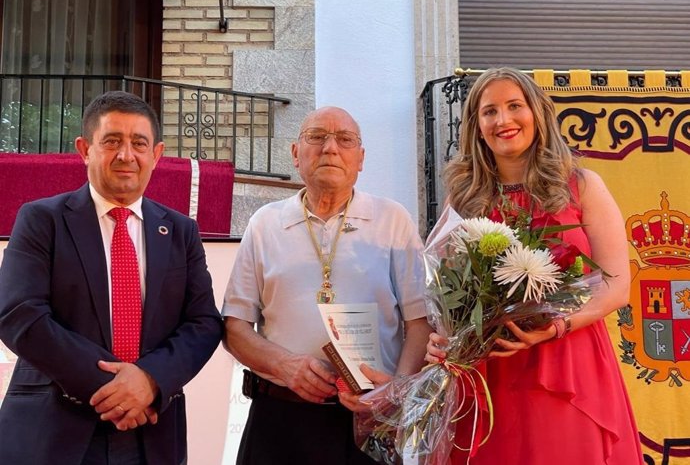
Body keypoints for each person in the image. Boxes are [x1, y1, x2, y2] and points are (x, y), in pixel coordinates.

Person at [426, 67, 643, 464]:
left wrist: (554, 327)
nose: (503, 120)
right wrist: (443, 336)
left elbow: (616, 286)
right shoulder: (464, 200)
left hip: (567, 361)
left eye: (514, 106)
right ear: (476, 126)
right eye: (489, 112)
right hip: (492, 367)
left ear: (537, 113)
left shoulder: (581, 184)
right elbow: (449, 291)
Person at [0, 91, 223, 465]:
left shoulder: (182, 231)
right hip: (53, 429)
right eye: (112, 142)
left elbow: (202, 323)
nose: (126, 155)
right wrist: (117, 388)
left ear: (157, 154)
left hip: (151, 435)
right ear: (85, 149)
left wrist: (149, 381)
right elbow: (19, 314)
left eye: (139, 143)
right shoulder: (42, 220)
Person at [223, 106, 431, 464]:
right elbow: (234, 326)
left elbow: (420, 322)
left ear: (361, 158)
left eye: (345, 139)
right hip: (280, 419)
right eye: (316, 137)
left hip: (370, 421)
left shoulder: (392, 219)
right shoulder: (265, 223)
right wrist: (285, 364)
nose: (330, 148)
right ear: (295, 153)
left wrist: (395, 393)